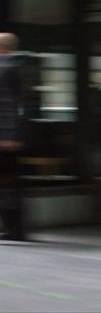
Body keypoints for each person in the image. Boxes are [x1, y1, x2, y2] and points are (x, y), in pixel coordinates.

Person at [0, 32, 26, 241]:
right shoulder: (14, 67)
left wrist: (9, 135)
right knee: (9, 182)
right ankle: (14, 228)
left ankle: (14, 229)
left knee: (8, 182)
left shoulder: (7, 68)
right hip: (8, 135)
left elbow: (10, 105)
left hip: (6, 137)